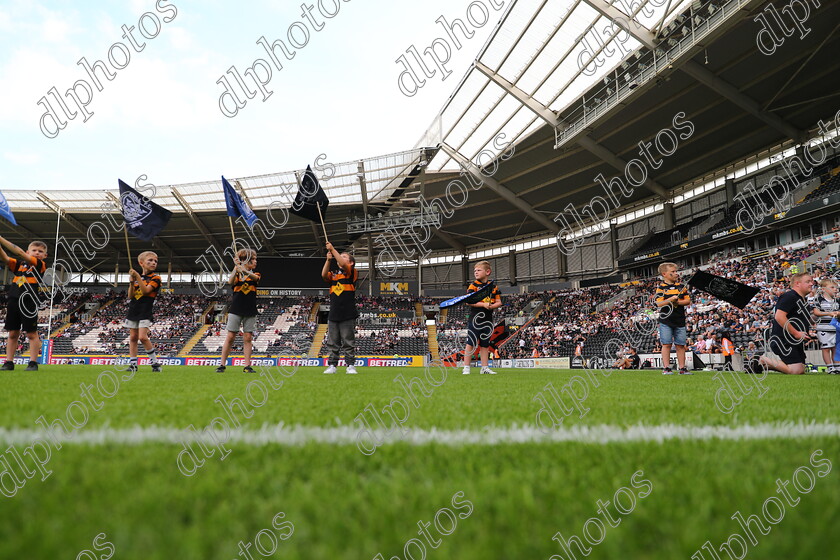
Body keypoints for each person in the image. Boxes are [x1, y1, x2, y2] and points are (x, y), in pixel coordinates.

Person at [0, 237, 48, 371]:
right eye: (34, 250)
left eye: (40, 251)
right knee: (12, 333)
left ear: (45, 256)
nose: (37, 252)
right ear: (28, 251)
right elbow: (6, 259)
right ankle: (9, 362)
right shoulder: (20, 265)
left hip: (29, 302)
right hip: (13, 300)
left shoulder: (40, 265)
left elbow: (19, 253)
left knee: (31, 334)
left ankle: (33, 362)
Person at [759, 273, 815, 375]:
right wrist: (796, 333)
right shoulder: (789, 296)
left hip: (793, 341)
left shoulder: (802, 301)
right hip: (783, 339)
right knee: (796, 370)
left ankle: (764, 365)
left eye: (811, 281)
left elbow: (803, 320)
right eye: (808, 281)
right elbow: (779, 317)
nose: (812, 283)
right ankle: (763, 360)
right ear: (797, 284)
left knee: (801, 369)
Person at [216, 249, 261, 374]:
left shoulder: (255, 274)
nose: (255, 261)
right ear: (245, 260)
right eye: (253, 259)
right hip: (235, 308)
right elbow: (230, 281)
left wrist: (244, 270)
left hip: (250, 309)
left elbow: (256, 278)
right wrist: (236, 267)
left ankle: (247, 366)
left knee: (248, 337)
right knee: (230, 337)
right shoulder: (237, 275)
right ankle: (222, 364)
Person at [321, 242, 358, 374]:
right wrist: (327, 260)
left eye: (344, 256)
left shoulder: (351, 272)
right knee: (332, 342)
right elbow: (324, 275)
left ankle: (350, 365)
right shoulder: (334, 275)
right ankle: (332, 365)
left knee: (348, 341)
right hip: (334, 313)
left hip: (348, 312)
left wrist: (333, 248)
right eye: (340, 256)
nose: (341, 258)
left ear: (351, 263)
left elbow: (343, 264)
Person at [462, 260, 502, 375]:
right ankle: (466, 367)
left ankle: (484, 368)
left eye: (479, 270)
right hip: (475, 318)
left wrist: (492, 306)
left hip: (488, 319)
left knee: (485, 344)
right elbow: (468, 301)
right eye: (475, 271)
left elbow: (499, 302)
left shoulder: (493, 286)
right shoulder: (473, 285)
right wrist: (483, 304)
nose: (476, 272)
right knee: (471, 343)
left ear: (487, 272)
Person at [126, 251, 163, 373]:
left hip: (145, 311)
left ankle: (155, 363)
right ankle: (133, 364)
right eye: (150, 260)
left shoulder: (156, 278)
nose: (153, 263)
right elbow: (130, 296)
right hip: (133, 310)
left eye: (155, 261)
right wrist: (132, 283)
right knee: (133, 337)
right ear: (141, 263)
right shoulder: (137, 279)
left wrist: (137, 277)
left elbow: (146, 291)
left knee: (142, 337)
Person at [654, 262, 691, 375]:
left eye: (676, 271)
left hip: (679, 319)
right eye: (673, 272)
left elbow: (687, 301)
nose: (676, 274)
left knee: (681, 345)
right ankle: (666, 368)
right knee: (666, 344)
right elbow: (659, 304)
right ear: (664, 274)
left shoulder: (681, 287)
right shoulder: (661, 289)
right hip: (666, 320)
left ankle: (682, 368)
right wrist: (671, 300)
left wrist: (677, 301)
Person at [811, 277, 840, 374]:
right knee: (826, 348)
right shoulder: (819, 300)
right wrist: (829, 313)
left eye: (836, 287)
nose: (835, 289)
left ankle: (837, 366)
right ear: (824, 289)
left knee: (835, 348)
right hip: (824, 328)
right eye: (832, 287)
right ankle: (830, 367)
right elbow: (816, 312)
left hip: (835, 328)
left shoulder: (837, 301)